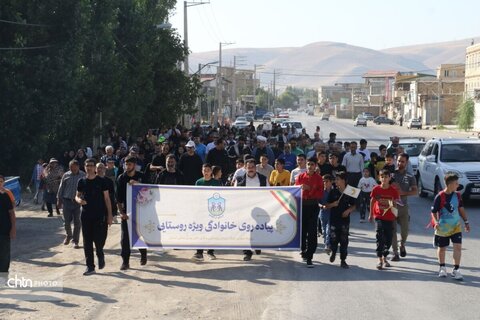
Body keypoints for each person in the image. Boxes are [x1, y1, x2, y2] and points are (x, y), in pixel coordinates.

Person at [75, 159, 113, 275]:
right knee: (87, 242)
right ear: (84, 167)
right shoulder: (81, 181)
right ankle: (90, 266)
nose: (89, 167)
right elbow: (76, 196)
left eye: (91, 166)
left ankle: (100, 254)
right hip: (86, 215)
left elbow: (107, 199)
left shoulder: (102, 182)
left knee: (99, 240)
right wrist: (79, 200)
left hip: (99, 215)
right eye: (87, 166)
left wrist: (110, 215)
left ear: (95, 168)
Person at [431, 173, 470, 280]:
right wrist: (435, 222)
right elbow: (433, 212)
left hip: (456, 226)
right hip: (443, 228)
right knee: (442, 248)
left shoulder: (457, 195)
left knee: (457, 247)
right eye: (456, 183)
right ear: (449, 184)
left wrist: (466, 222)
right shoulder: (439, 196)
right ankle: (442, 268)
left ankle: (456, 269)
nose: (458, 185)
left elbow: (460, 208)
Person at [116, 156, 147, 271]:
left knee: (139, 234)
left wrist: (138, 184)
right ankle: (125, 261)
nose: (127, 166)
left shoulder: (141, 176)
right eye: (126, 164)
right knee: (125, 237)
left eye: (129, 164)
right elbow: (118, 198)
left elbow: (150, 191)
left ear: (134, 165)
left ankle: (143, 253)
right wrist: (121, 212)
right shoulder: (121, 178)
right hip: (127, 211)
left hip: (141, 210)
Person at [234, 159, 269, 261]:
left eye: (252, 167)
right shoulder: (239, 180)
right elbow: (234, 194)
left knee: (258, 230)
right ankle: (247, 252)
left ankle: (257, 245)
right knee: (246, 231)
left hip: (259, 209)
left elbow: (269, 193)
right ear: (245, 168)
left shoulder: (263, 179)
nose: (250, 170)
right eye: (248, 168)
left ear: (256, 168)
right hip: (245, 209)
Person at [295, 157, 324, 267]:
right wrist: (299, 188)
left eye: (312, 164)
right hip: (302, 206)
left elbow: (320, 193)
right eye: (308, 164)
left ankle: (310, 255)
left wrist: (309, 189)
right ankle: (303, 249)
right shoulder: (300, 176)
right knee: (302, 230)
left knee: (312, 231)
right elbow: (295, 191)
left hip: (313, 206)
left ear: (315, 165)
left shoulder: (319, 178)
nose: (310, 166)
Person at [369, 169, 400, 270]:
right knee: (380, 236)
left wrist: (395, 214)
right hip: (379, 216)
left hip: (390, 217)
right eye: (382, 177)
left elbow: (395, 203)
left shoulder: (393, 190)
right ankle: (379, 259)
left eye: (386, 177)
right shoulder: (376, 189)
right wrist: (370, 214)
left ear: (389, 178)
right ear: (379, 178)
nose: (384, 179)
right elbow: (372, 201)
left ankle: (384, 257)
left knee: (389, 238)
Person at [325, 172, 356, 269]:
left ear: (343, 180)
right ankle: (333, 252)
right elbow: (326, 205)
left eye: (338, 179)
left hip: (344, 220)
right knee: (333, 239)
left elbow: (354, 205)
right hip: (334, 219)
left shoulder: (351, 191)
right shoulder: (333, 191)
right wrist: (332, 204)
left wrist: (348, 210)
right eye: (335, 179)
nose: (336, 181)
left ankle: (343, 260)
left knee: (344, 240)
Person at [391, 153, 417, 261]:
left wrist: (402, 193)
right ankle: (395, 253)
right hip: (391, 207)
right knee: (393, 231)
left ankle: (402, 245)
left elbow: (415, 191)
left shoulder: (410, 176)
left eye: (402, 161)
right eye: (398, 160)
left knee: (405, 232)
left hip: (403, 207)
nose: (400, 163)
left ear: (406, 163)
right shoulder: (391, 175)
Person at [192, 163, 222, 261]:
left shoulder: (217, 183)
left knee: (212, 231)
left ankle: (210, 252)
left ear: (211, 172)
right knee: (200, 231)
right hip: (201, 211)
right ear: (202, 171)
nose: (206, 172)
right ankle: (199, 252)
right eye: (204, 170)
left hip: (213, 211)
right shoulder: (198, 182)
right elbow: (195, 197)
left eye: (208, 170)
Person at [57, 160, 86, 248]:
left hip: (78, 202)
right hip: (67, 201)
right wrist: (59, 200)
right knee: (66, 221)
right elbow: (61, 188)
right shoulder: (66, 175)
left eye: (74, 167)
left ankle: (75, 241)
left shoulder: (83, 175)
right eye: (70, 168)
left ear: (78, 166)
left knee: (77, 222)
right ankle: (68, 235)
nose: (72, 169)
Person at [0, 175, 16, 274]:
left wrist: (13, 228)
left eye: (0, 181)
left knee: (4, 254)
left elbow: (11, 212)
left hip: (4, 229)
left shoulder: (6, 195)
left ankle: (3, 277)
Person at [319, 174, 333, 254]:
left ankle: (328, 245)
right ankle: (326, 243)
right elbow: (318, 202)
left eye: (327, 181)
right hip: (322, 213)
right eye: (323, 181)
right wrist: (322, 206)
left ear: (331, 182)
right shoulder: (320, 191)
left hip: (331, 213)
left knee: (328, 230)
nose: (325, 183)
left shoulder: (334, 191)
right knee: (324, 231)